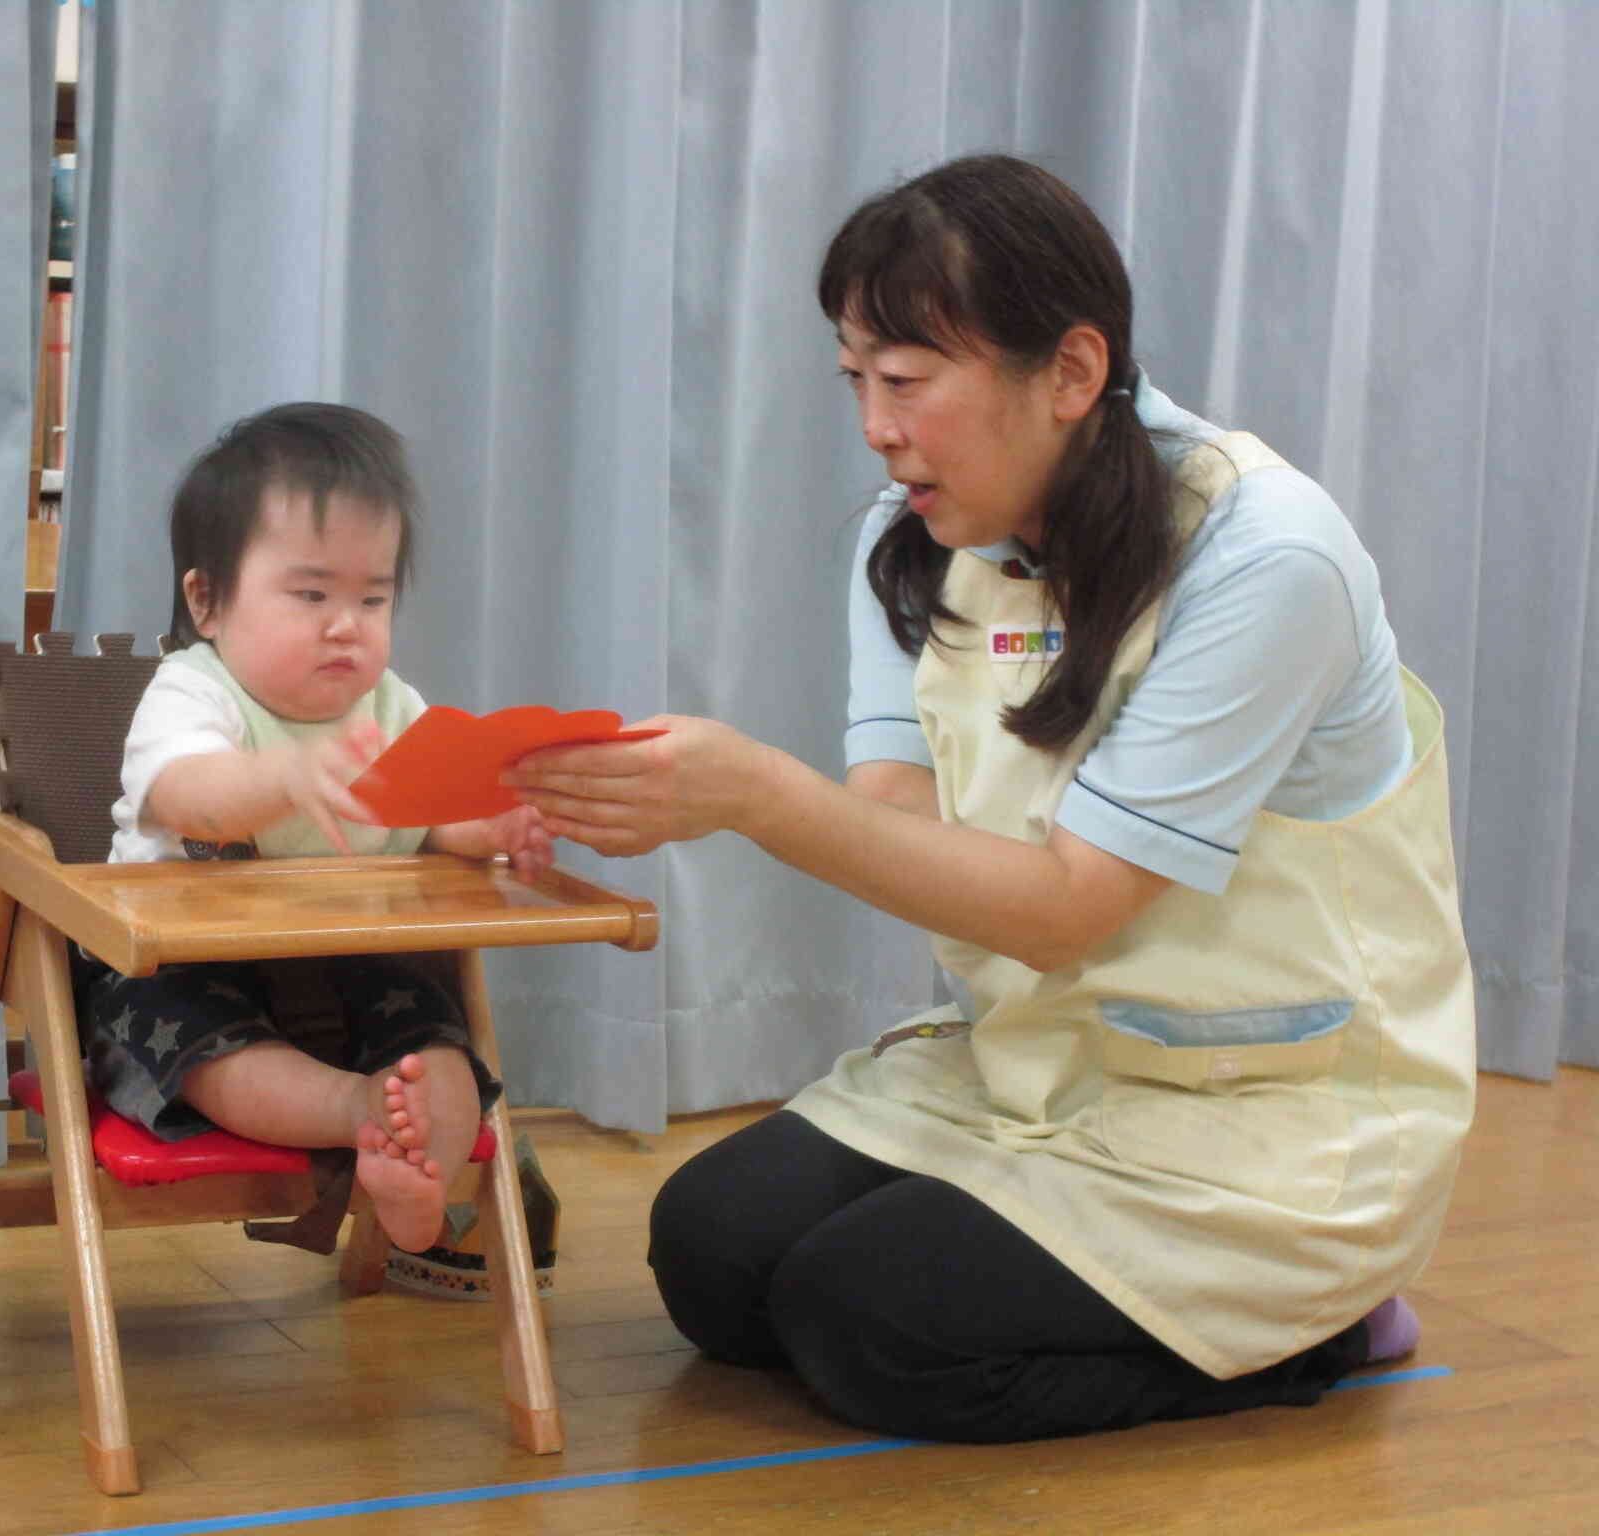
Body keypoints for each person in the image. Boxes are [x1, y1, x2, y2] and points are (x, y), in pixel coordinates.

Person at [507, 154, 1475, 1442]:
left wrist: (751, 793)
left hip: (1270, 1114)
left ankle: (1326, 1326)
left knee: (874, 1327)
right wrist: (695, 794)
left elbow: (1071, 909)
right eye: (854, 379)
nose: (873, 425)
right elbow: (896, 829)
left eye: (905, 381)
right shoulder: (908, 540)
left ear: (1072, 374)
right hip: (1039, 1061)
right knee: (712, 1259)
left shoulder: (1264, 557)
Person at [82, 402, 552, 1255]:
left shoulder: (390, 707)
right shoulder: (194, 692)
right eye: (311, 594)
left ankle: (421, 1181)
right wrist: (284, 777)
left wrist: (493, 824)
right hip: (187, 969)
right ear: (209, 600)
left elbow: (434, 821)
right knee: (203, 1047)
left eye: (372, 596)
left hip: (350, 957)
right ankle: (355, 1110)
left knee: (435, 1041)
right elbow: (189, 793)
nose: (347, 622)